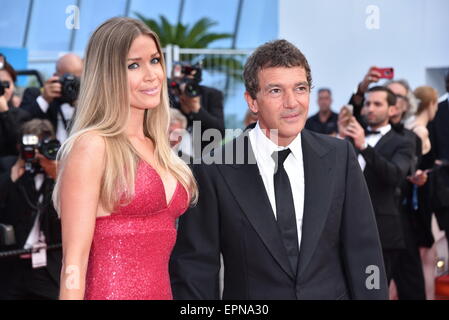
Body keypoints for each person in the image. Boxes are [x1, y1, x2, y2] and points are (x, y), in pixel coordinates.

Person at [170, 39, 388, 300]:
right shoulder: (213, 169)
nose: (292, 102)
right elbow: (196, 270)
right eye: (276, 91)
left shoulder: (339, 157)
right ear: (252, 101)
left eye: (300, 88)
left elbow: (364, 252)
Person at [54, 17, 197, 300]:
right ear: (107, 74)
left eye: (155, 60)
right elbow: (73, 263)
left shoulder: (159, 147)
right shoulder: (92, 146)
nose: (151, 75)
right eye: (134, 65)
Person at [340, 86, 415, 286]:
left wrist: (365, 147)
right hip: (349, 230)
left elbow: (394, 175)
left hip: (382, 232)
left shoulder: (403, 142)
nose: (370, 108)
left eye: (377, 104)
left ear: (392, 110)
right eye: (368, 103)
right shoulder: (351, 139)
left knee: (374, 289)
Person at [0, 119, 61, 300]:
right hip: (14, 267)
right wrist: (14, 173)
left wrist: (57, 176)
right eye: (30, 147)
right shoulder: (8, 167)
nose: (35, 154)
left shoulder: (62, 172)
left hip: (49, 267)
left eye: (41, 146)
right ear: (19, 146)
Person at [20, 53, 83, 143]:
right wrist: (44, 100)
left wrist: (83, 103)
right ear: (55, 76)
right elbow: (20, 125)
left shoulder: (90, 100)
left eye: (77, 80)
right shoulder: (34, 94)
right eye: (68, 80)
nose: (72, 86)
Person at [0, 54, 31, 157]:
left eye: (6, 83)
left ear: (13, 85)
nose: (3, 89)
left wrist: (5, 113)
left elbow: (18, 145)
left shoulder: (22, 115)